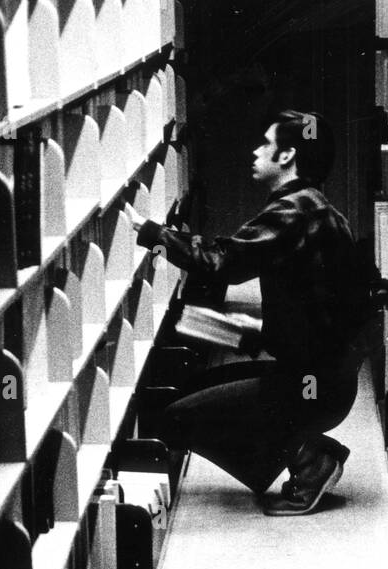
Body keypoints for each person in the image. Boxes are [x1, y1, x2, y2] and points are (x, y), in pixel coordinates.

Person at [132, 110, 368, 516]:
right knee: (198, 391)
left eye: (266, 143)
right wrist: (254, 331)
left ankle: (310, 456)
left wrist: (152, 235)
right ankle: (304, 449)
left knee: (177, 418)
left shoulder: (294, 212)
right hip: (324, 378)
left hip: (312, 386)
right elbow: (323, 314)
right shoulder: (321, 210)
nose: (255, 151)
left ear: (287, 156)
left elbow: (222, 261)